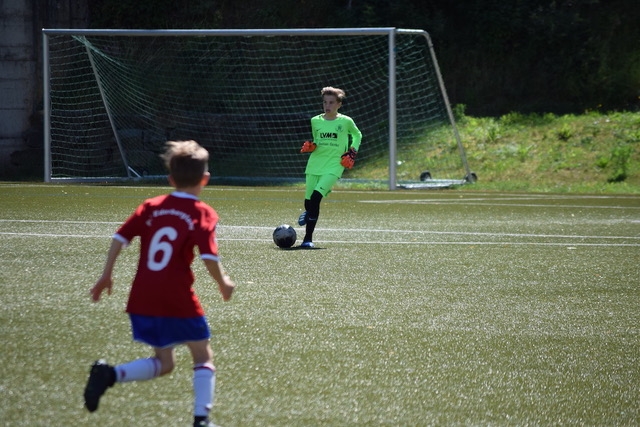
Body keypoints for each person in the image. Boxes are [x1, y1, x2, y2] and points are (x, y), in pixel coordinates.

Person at [84, 140, 236, 427]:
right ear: (205, 179)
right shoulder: (202, 212)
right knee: (202, 354)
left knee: (165, 363)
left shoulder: (151, 206)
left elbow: (119, 238)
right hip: (176, 296)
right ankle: (202, 419)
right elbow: (208, 256)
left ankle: (109, 374)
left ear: (170, 179)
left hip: (142, 296)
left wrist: (106, 275)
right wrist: (223, 282)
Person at [298, 86, 363, 248]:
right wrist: (312, 146)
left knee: (316, 198)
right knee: (308, 202)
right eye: (325, 102)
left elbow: (357, 135)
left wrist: (352, 151)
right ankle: (309, 212)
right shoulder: (315, 121)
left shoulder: (346, 121)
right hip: (315, 164)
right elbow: (317, 140)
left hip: (334, 165)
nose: (327, 106)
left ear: (339, 104)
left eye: (331, 102)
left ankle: (307, 239)